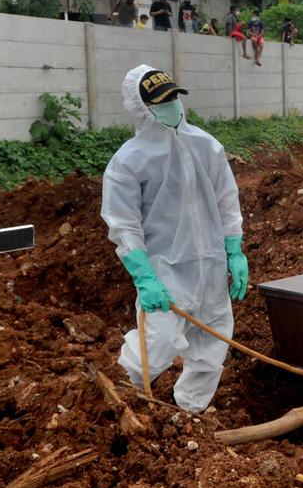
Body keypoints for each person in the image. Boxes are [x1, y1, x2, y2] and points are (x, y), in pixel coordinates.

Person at [100, 65, 251, 412]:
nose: (171, 106)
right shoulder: (127, 162)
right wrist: (144, 278)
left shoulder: (207, 146)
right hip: (166, 270)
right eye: (161, 101)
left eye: (173, 98)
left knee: (212, 348)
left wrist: (234, 250)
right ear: (141, 108)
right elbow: (123, 224)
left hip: (210, 267)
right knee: (156, 346)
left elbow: (227, 200)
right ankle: (115, 400)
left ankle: (189, 414)